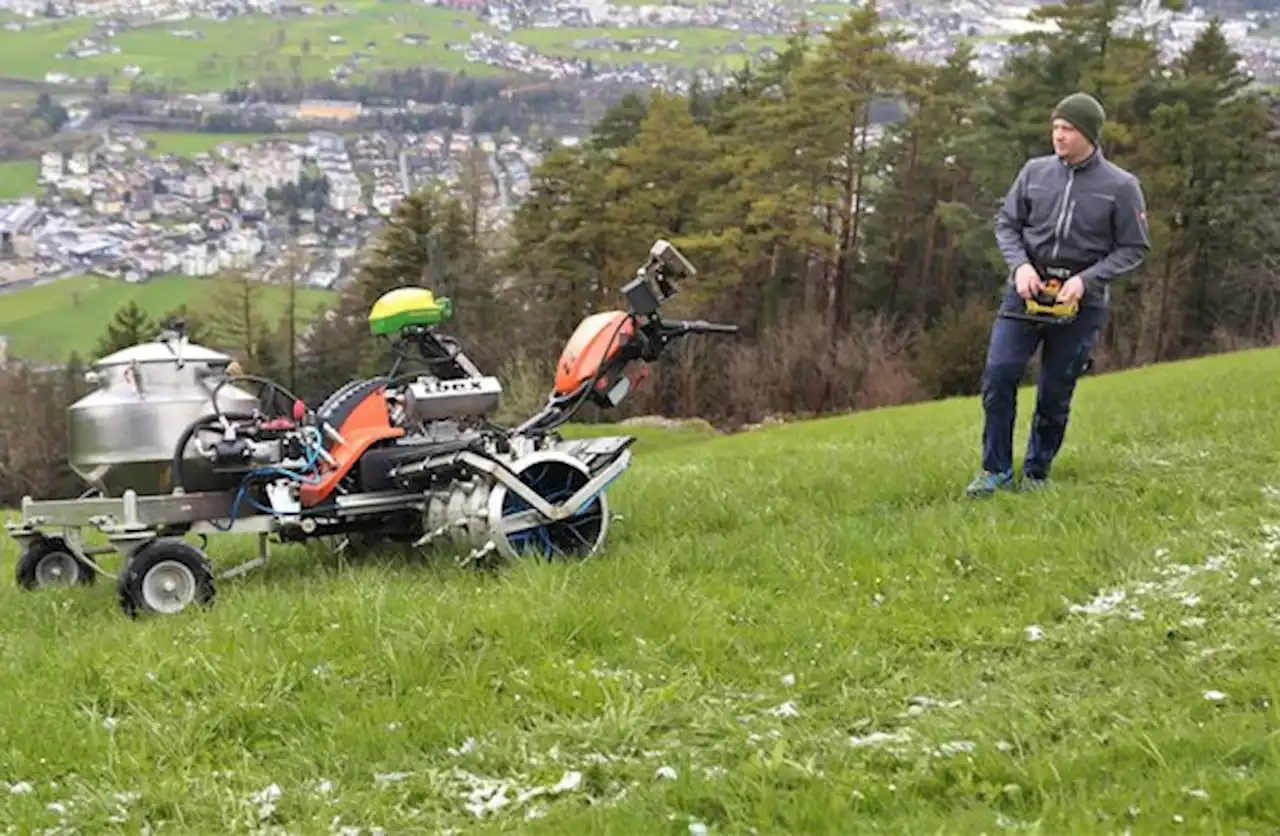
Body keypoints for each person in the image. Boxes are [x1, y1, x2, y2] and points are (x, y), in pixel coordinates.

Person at [965, 92, 1151, 497]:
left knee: (1054, 392)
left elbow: (1134, 248)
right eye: (1055, 127)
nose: (1058, 136)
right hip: (1025, 294)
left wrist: (1087, 280)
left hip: (1081, 305)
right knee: (999, 376)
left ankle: (1036, 474)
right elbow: (1007, 225)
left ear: (1089, 134)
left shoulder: (1121, 187)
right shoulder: (1034, 172)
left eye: (1068, 128)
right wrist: (1021, 267)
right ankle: (994, 470)